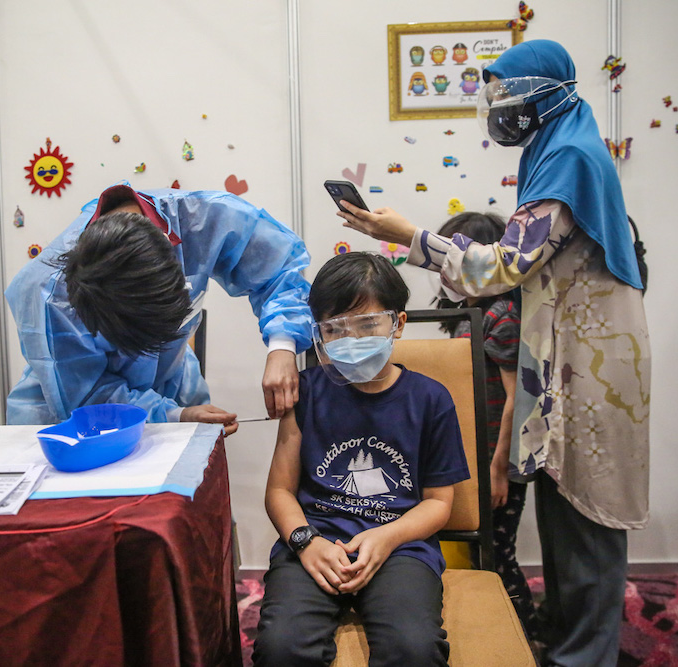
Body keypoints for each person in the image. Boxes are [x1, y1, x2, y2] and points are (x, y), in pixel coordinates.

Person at [337, 40, 650, 667]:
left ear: (549, 95)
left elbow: (502, 267)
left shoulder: (569, 158)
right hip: (566, 358)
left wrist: (411, 236)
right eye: (495, 97)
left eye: (509, 96)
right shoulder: (553, 152)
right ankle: (567, 637)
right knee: (562, 507)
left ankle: (586, 654)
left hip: (591, 366)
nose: (500, 109)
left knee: (587, 512)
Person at [253, 252, 470, 667]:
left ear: (397, 323)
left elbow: (439, 503)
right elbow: (279, 491)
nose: (351, 340)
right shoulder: (305, 392)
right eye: (335, 329)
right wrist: (305, 541)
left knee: (414, 649)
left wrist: (387, 537)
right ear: (318, 332)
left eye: (368, 325)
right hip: (315, 542)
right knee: (280, 647)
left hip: (401, 547)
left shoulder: (431, 400)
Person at [5, 181, 313, 429]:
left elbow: (280, 269)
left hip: (175, 384)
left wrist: (282, 346)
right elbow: (87, 395)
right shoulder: (47, 294)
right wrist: (174, 416)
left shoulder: (203, 221)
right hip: (77, 405)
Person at [434, 211, 537, 641]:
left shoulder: (502, 315)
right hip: (475, 455)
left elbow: (516, 399)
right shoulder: (470, 313)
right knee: (481, 553)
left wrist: (499, 469)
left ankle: (523, 635)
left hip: (497, 460)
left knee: (498, 556)